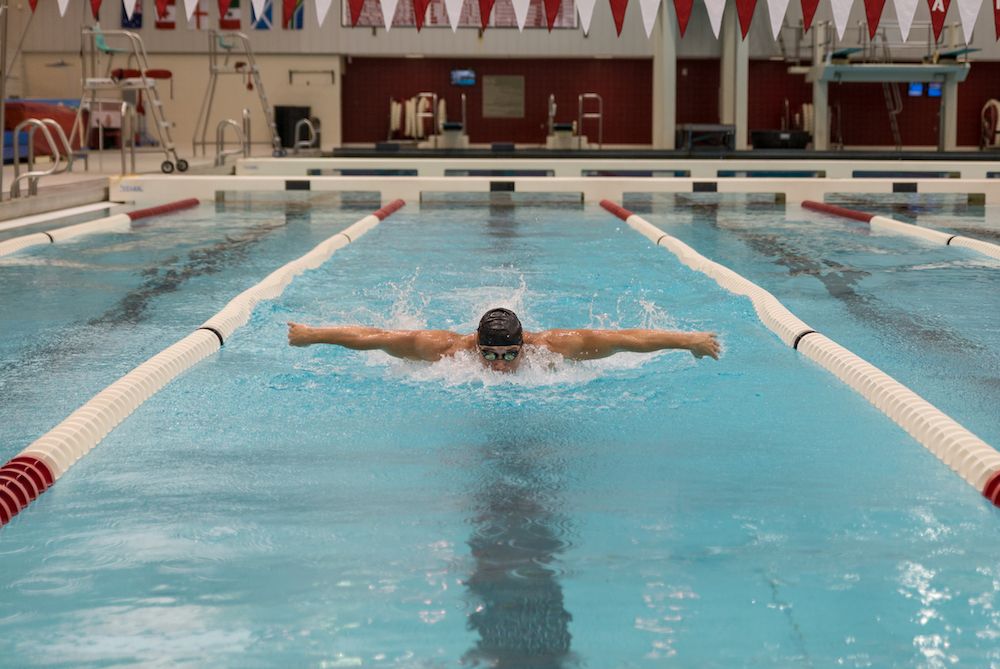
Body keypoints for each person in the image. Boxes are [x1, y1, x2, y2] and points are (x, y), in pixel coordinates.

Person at [287, 308, 720, 372]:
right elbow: (374, 338)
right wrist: (312, 335)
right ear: (474, 343)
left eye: (509, 354)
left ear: (523, 343)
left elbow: (627, 339)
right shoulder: (445, 349)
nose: (498, 365)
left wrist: (688, 341)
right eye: (489, 354)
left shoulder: (553, 347)